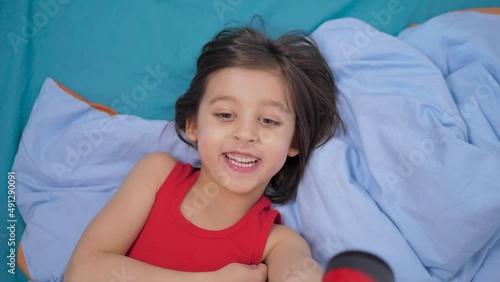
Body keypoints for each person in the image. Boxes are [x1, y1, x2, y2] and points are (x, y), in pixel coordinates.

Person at [64, 25, 343, 282]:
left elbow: (298, 272)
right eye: (225, 114)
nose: (246, 134)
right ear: (193, 125)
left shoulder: (278, 242)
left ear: (294, 141)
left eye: (268, 120)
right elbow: (83, 271)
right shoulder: (157, 175)